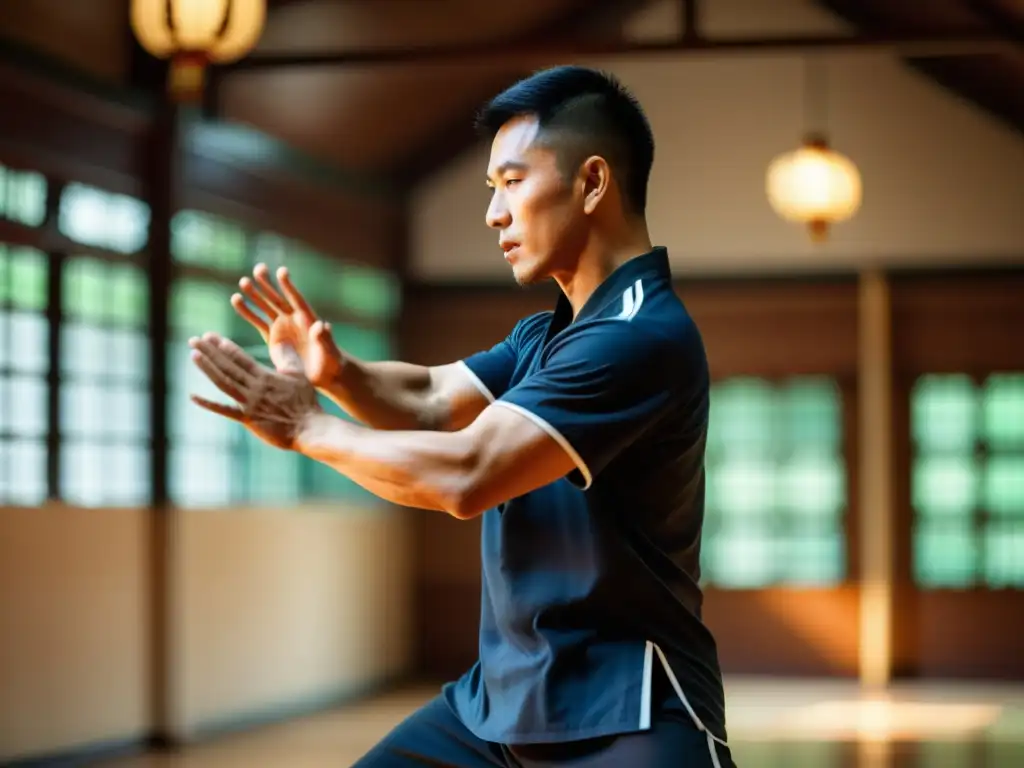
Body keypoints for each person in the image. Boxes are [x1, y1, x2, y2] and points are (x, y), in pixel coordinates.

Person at [189, 65, 734, 768]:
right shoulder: (550, 336)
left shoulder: (639, 335)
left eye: (512, 182)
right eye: (490, 189)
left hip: (628, 711)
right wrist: (337, 374)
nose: (494, 213)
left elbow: (466, 472)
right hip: (501, 707)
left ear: (592, 183)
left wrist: (306, 427)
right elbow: (431, 400)